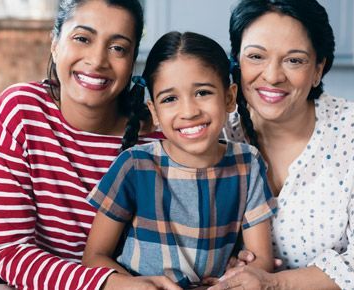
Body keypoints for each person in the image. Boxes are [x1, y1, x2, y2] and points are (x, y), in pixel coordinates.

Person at [209, 0, 354, 289]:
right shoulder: (216, 127)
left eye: (294, 60)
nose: (272, 76)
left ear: (318, 69)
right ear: (237, 60)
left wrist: (273, 283)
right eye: (256, 57)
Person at [0, 0, 164, 289]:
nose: (97, 60)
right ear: (55, 44)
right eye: (82, 38)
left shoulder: (158, 135)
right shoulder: (21, 110)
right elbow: (9, 252)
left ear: (132, 62)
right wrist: (110, 285)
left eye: (118, 48)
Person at [82, 31, 277, 289]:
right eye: (170, 99)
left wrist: (232, 281)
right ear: (154, 113)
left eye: (203, 93)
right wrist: (137, 285)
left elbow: (261, 259)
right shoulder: (135, 165)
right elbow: (94, 257)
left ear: (229, 97)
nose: (189, 111)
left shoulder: (247, 164)